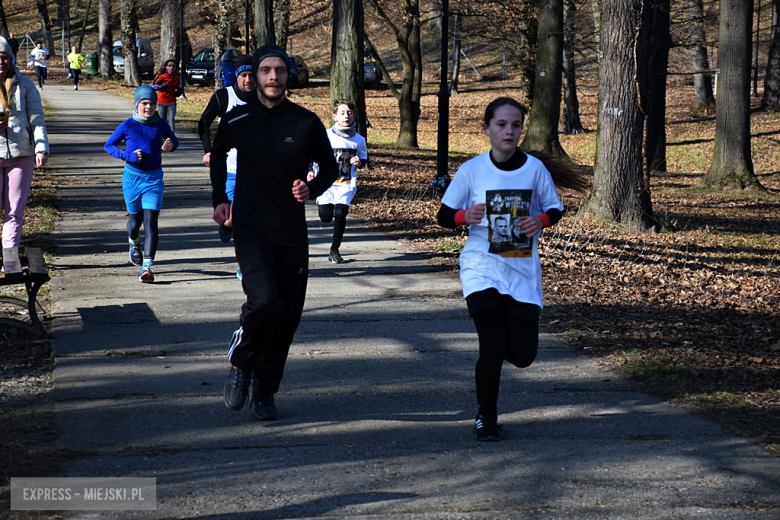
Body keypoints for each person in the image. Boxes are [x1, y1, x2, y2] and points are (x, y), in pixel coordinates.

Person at [436, 97, 586, 442]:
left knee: (522, 355)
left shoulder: (534, 169)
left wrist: (540, 221)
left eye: (515, 125)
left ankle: (499, 356)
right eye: (501, 124)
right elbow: (444, 216)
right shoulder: (471, 170)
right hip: (481, 268)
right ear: (486, 129)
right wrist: (464, 216)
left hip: (521, 272)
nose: (509, 131)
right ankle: (485, 417)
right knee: (491, 346)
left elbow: (554, 209)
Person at [210, 44, 338, 421]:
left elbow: (329, 166)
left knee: (287, 319)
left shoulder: (305, 121)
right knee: (266, 302)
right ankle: (241, 362)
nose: (272, 77)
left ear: (288, 75)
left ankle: (265, 392)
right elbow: (218, 155)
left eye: (280, 70)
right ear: (255, 74)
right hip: (250, 227)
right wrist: (220, 198)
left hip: (292, 232)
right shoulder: (237, 118)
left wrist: (311, 189)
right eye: (266, 70)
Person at [104, 86, 178, 283]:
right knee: (135, 223)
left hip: (154, 179)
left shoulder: (161, 124)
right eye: (144, 103)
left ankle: (148, 267)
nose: (148, 107)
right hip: (132, 179)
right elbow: (108, 145)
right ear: (137, 104)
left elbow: (174, 140)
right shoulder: (128, 125)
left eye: (152, 104)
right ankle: (134, 243)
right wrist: (127, 156)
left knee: (151, 221)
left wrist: (170, 146)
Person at [0, 37, 49, 276]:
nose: (0, 62)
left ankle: (9, 260)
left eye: (4, 57)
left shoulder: (26, 85)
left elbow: (37, 119)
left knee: (14, 211)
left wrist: (41, 148)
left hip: (22, 155)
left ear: (11, 59)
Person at [198, 54, 255, 245]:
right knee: (232, 217)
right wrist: (209, 150)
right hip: (230, 169)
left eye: (252, 74)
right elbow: (204, 123)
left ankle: (245, 265)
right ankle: (227, 225)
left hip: (258, 172)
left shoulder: (267, 99)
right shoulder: (223, 96)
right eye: (244, 75)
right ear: (236, 76)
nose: (248, 79)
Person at [307, 99, 368, 263]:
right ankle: (323, 205)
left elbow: (364, 158)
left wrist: (359, 162)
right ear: (335, 116)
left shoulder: (359, 140)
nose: (346, 116)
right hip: (326, 184)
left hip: (346, 184)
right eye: (342, 113)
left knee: (341, 215)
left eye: (349, 113)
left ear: (354, 116)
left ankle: (334, 250)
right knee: (326, 217)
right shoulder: (325, 135)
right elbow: (310, 155)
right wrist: (309, 172)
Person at [151, 60, 183, 135]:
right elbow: (153, 86)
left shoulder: (177, 77)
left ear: (175, 68)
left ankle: (171, 136)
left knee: (171, 119)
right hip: (162, 101)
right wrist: (163, 86)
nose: (171, 68)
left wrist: (179, 91)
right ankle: (163, 135)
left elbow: (178, 86)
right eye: (170, 66)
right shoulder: (162, 76)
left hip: (172, 101)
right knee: (163, 120)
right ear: (166, 67)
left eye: (173, 66)